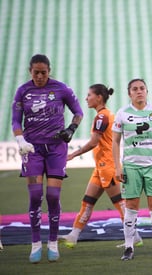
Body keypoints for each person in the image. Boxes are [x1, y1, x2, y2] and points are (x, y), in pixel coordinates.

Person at [11, 54, 83, 263]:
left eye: (44, 72)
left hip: (56, 149)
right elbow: (15, 120)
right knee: (34, 196)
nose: (40, 76)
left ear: (49, 71)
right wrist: (20, 140)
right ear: (30, 71)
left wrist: (71, 128)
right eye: (36, 72)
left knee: (52, 196)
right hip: (32, 149)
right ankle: (35, 244)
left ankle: (52, 243)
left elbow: (78, 112)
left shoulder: (62, 88)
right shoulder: (23, 91)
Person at [58, 84, 142, 248]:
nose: (86, 98)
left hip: (108, 166)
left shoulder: (102, 117)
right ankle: (73, 236)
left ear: (99, 97)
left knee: (120, 204)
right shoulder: (104, 116)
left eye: (89, 95)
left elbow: (94, 142)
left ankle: (134, 237)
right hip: (101, 167)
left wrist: (73, 155)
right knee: (87, 202)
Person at [112, 78, 152, 260]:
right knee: (131, 207)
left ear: (147, 91)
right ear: (129, 93)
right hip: (131, 167)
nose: (139, 91)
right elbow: (115, 141)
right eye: (135, 89)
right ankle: (129, 248)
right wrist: (118, 166)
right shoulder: (122, 113)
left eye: (142, 88)